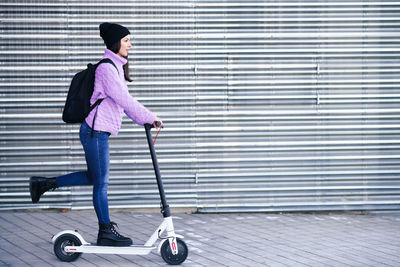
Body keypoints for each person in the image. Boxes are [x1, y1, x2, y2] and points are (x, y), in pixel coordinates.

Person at [29, 22, 162, 247]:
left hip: (97, 133)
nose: (130, 45)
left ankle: (43, 185)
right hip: (95, 132)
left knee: (94, 177)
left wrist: (145, 119)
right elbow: (125, 101)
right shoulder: (107, 69)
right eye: (127, 40)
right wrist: (149, 117)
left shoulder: (116, 67)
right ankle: (105, 231)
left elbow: (123, 103)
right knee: (101, 182)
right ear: (115, 42)